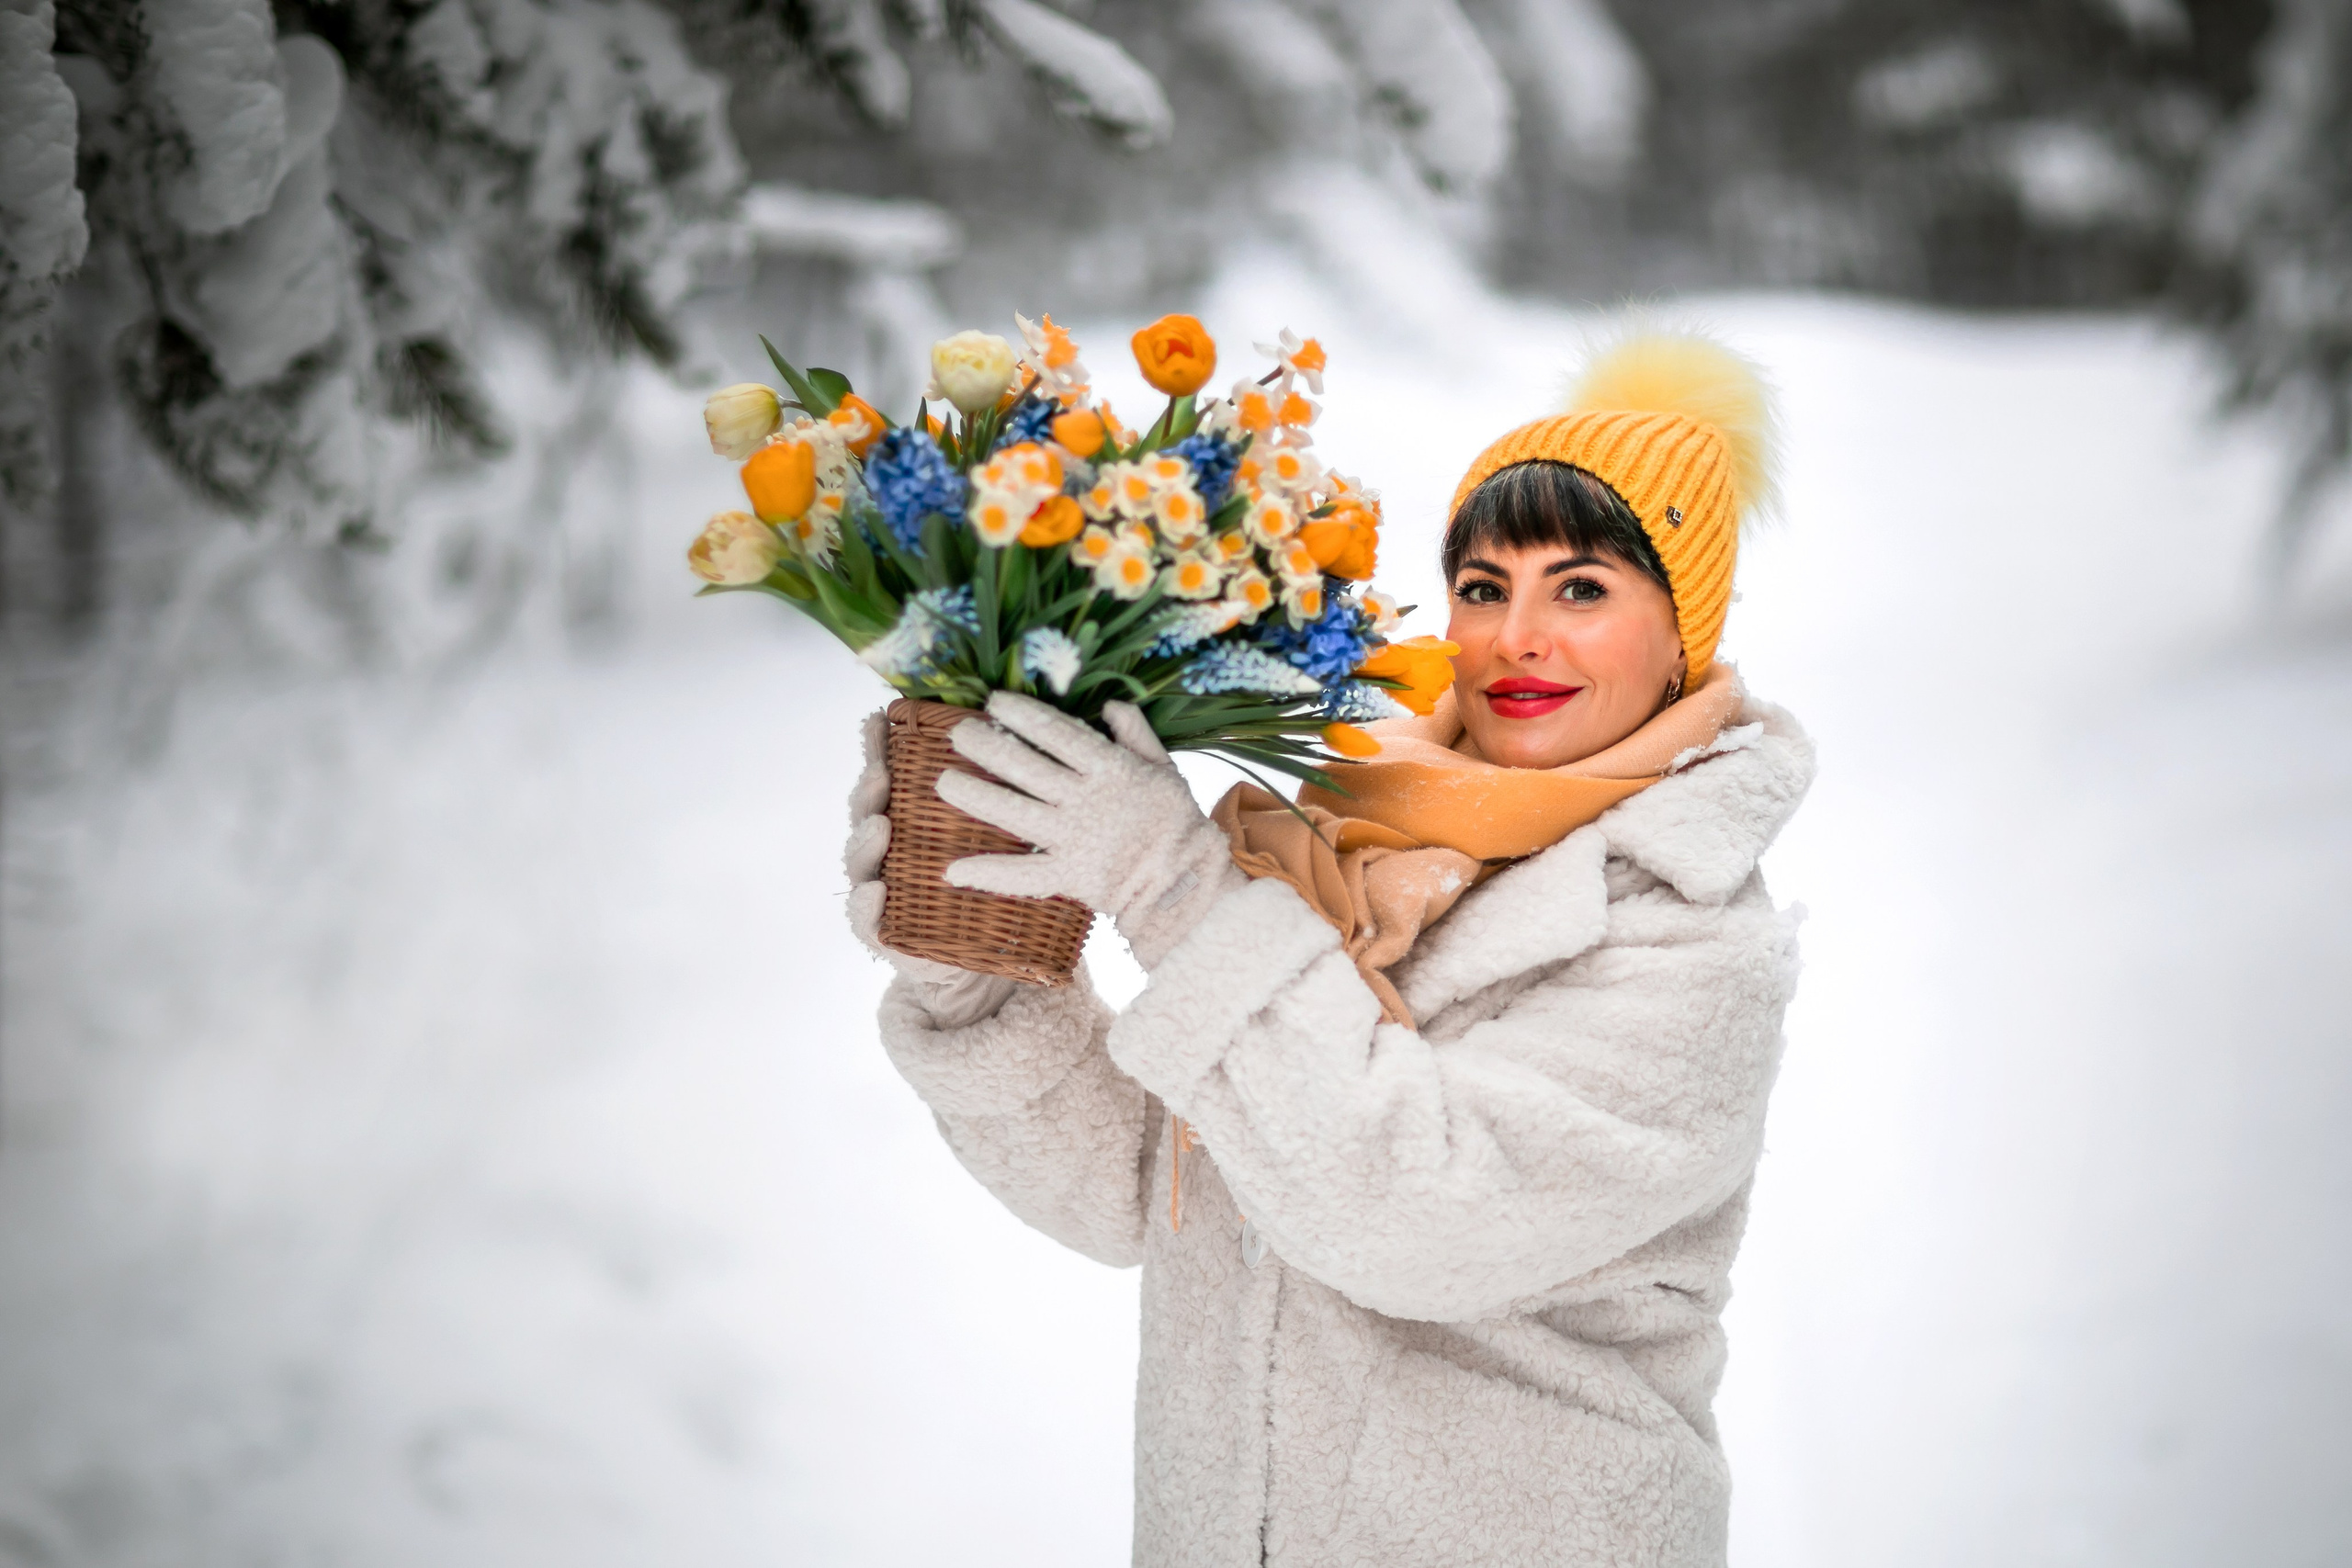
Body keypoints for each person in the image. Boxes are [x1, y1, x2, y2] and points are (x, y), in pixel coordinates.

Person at [841, 327, 1815, 1567]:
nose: (1518, 635)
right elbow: (1158, 1193)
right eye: (1483, 585)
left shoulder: (1693, 943)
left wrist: (1169, 882)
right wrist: (978, 984)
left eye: (1581, 589)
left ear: (1683, 631)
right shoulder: (1352, 845)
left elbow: (1411, 1212)